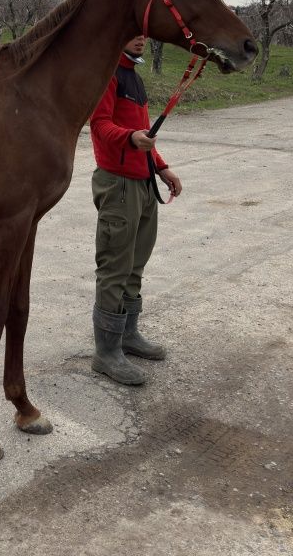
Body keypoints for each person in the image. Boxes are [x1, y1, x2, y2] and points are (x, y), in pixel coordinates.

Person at [89, 35, 182, 385]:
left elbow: (144, 136)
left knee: (135, 264)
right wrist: (129, 139)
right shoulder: (107, 74)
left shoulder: (133, 75)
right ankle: (106, 352)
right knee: (115, 266)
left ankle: (128, 335)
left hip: (143, 183)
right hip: (118, 185)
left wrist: (161, 167)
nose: (141, 38)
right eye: (132, 32)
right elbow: (99, 125)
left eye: (143, 34)